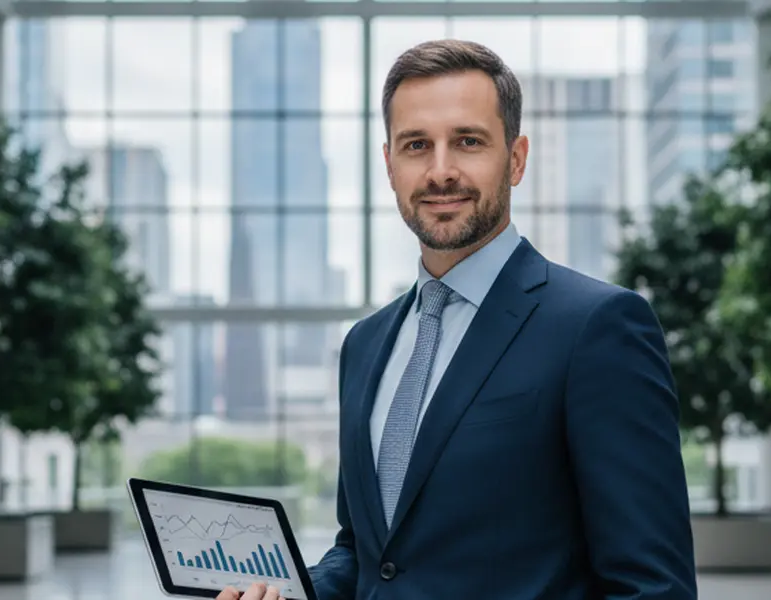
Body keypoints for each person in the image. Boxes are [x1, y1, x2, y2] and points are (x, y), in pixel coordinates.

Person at [218, 39, 696, 600]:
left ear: (516, 159)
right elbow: (367, 552)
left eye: (468, 142)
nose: (441, 171)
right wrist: (292, 595)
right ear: (390, 164)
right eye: (417, 145)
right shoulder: (364, 345)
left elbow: (652, 587)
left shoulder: (598, 327)